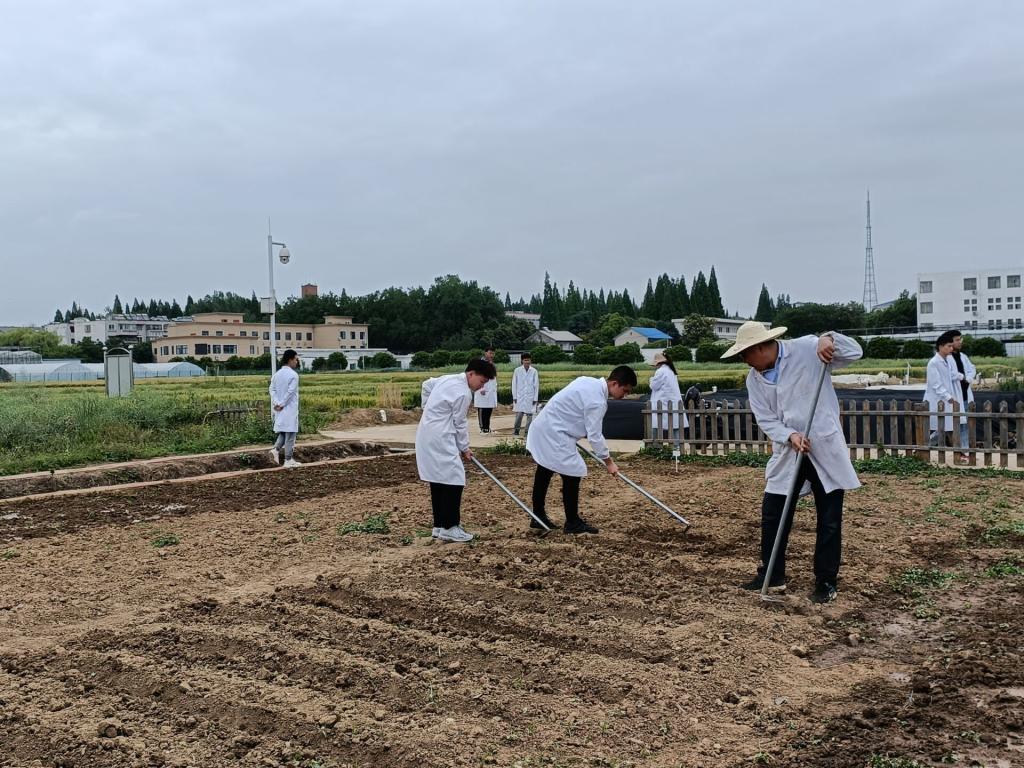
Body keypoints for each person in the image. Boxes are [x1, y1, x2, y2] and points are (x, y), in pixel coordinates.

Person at [723, 321, 863, 604]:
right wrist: (789, 435)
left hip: (822, 444)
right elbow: (765, 418)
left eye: (745, 354)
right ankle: (772, 575)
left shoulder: (807, 348)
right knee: (773, 513)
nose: (744, 361)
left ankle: (825, 581)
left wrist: (829, 338)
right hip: (789, 450)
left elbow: (854, 352)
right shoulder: (754, 379)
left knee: (829, 518)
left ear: (759, 348)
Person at [525, 365, 638, 534]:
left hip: (547, 427)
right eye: (625, 390)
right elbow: (595, 436)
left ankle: (538, 516)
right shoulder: (597, 401)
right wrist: (609, 462)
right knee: (573, 472)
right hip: (554, 433)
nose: (625, 395)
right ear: (614, 383)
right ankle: (572, 522)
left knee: (546, 468)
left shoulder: (588, 381)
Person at [416, 358, 497, 543]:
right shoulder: (463, 393)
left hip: (428, 432)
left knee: (438, 479)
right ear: (471, 374)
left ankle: (439, 526)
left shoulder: (447, 378)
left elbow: (426, 385)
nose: (481, 386)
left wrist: (427, 409)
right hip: (441, 436)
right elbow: (459, 423)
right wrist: (465, 447)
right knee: (455, 478)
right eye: (482, 381)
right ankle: (450, 527)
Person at [925, 330, 965, 456]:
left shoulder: (947, 360)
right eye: (949, 346)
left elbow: (949, 377)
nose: (951, 348)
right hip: (938, 400)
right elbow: (936, 384)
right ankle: (958, 453)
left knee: (946, 428)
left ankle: (958, 453)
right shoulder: (933, 363)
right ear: (941, 346)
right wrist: (949, 397)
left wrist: (959, 376)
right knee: (943, 428)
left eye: (952, 346)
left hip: (946, 400)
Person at [269, 349, 302, 468]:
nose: (296, 362)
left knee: (283, 431)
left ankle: (276, 450)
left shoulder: (276, 374)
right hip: (289, 408)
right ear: (290, 359)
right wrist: (282, 404)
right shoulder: (293, 375)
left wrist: (276, 403)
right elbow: (290, 393)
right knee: (291, 433)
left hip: (279, 409)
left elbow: (272, 389)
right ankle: (288, 459)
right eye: (296, 359)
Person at [947, 331, 976, 458]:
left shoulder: (963, 356)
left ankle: (964, 451)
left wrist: (968, 377)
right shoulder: (947, 358)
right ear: (950, 342)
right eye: (957, 340)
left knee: (963, 423)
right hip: (953, 395)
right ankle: (925, 445)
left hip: (964, 394)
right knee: (946, 425)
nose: (960, 342)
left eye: (960, 339)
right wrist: (961, 376)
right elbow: (949, 374)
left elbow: (972, 368)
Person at [648, 352, 688, 440]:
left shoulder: (660, 371)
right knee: (675, 425)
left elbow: (654, 386)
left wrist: (651, 379)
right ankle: (677, 446)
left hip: (662, 402)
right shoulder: (671, 371)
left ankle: (655, 445)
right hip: (673, 402)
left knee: (656, 424)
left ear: (658, 363)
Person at [511, 353, 540, 436]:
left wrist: (535, 398)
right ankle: (516, 431)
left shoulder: (534, 371)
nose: (527, 362)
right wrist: (514, 396)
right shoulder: (517, 370)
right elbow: (514, 384)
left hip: (530, 396)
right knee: (519, 414)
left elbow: (536, 385)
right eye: (525, 360)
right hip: (520, 396)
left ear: (530, 361)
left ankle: (527, 432)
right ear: (522, 361)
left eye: (528, 360)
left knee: (530, 415)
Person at [473, 347, 498, 433]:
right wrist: (481, 388)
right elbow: (477, 377)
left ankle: (487, 428)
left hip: (490, 391)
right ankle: (482, 428)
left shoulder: (492, 364)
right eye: (490, 353)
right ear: (485, 353)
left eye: (493, 353)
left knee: (488, 410)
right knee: (482, 409)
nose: (491, 355)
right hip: (482, 390)